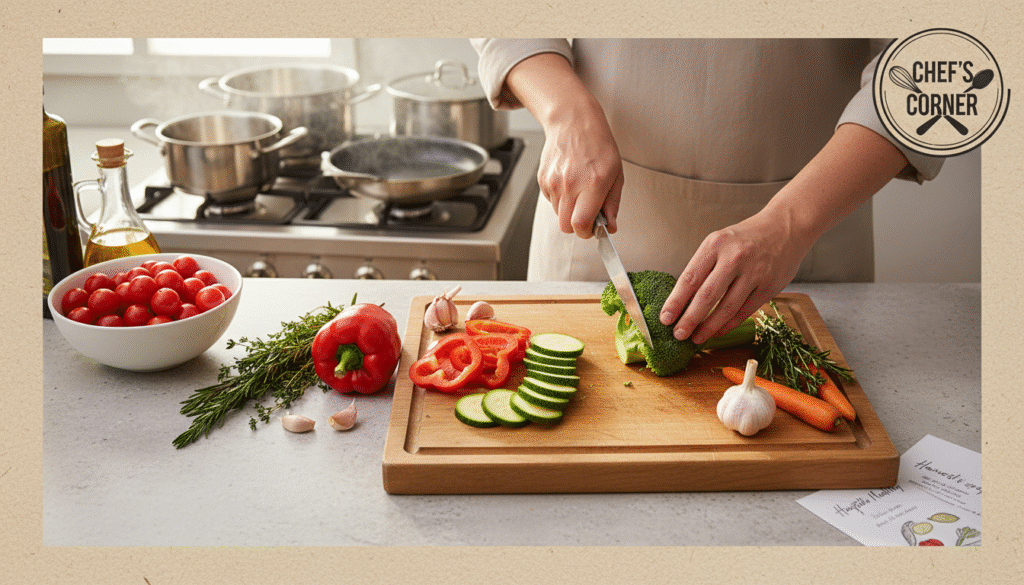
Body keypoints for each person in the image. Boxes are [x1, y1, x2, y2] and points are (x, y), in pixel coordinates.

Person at [471, 39, 944, 345]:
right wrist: (564, 111)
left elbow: (947, 58)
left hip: (811, 239)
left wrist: (791, 222)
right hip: (592, 228)